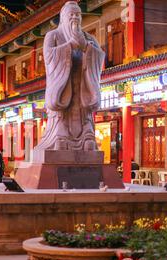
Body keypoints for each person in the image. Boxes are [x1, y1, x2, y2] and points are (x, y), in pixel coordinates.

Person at [34, 1, 105, 152]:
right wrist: (70, 45)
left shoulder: (89, 38)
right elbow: (49, 55)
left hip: (82, 84)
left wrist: (86, 46)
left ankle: (87, 136)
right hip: (63, 83)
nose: (75, 18)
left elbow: (99, 56)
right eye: (71, 15)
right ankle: (60, 136)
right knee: (61, 112)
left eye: (78, 15)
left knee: (84, 113)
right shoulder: (53, 35)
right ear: (63, 17)